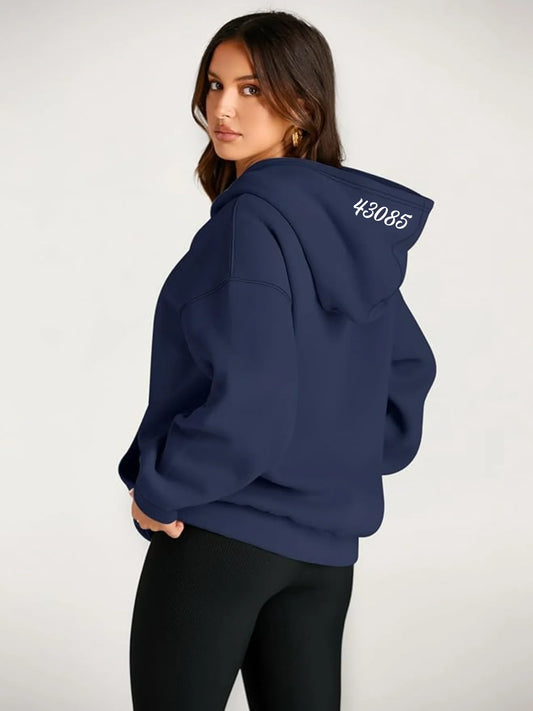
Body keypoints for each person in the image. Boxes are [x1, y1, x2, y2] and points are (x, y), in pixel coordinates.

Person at [117, 10, 437, 711]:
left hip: (221, 536)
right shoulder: (349, 235)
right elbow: (408, 369)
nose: (222, 108)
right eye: (215, 84)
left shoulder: (249, 222)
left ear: (304, 104)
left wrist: (159, 490)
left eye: (252, 88)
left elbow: (252, 402)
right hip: (324, 554)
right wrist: (331, 463)